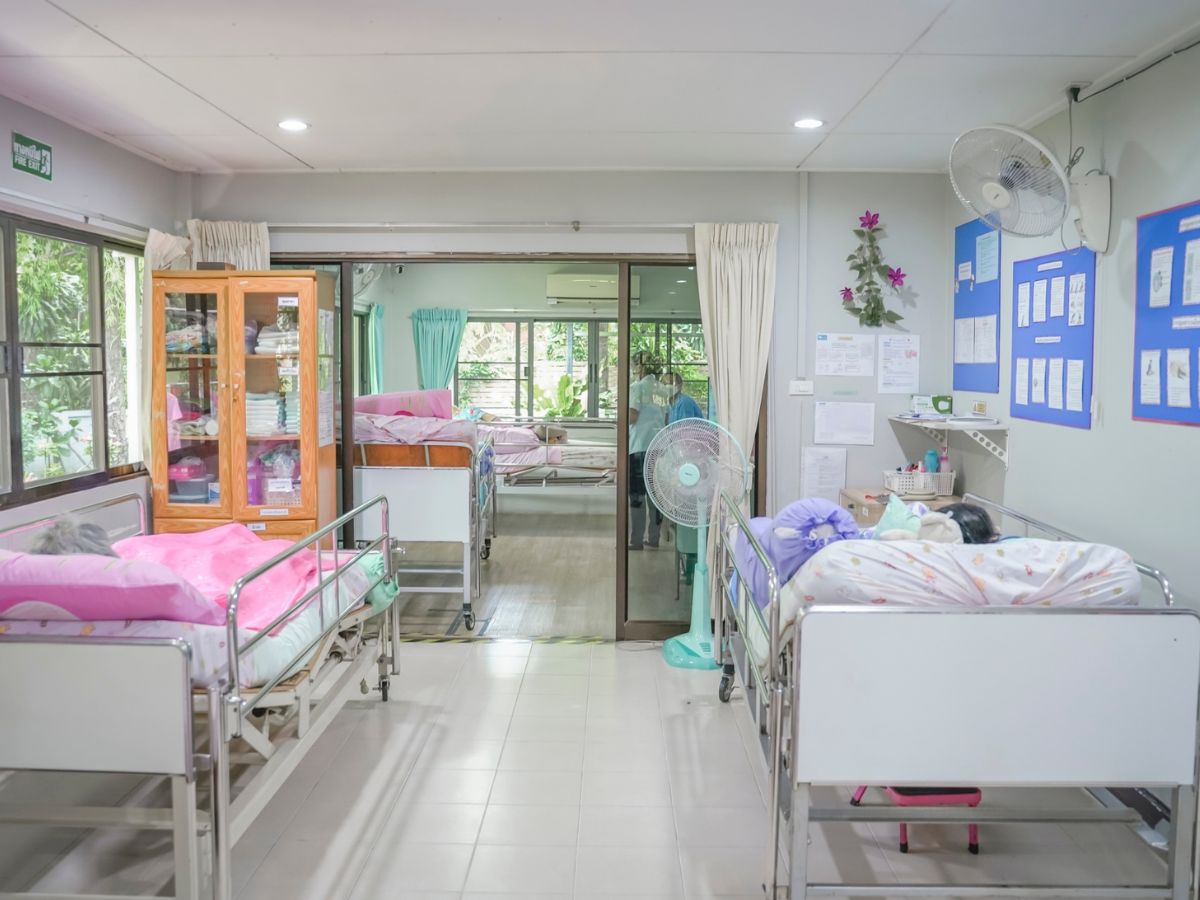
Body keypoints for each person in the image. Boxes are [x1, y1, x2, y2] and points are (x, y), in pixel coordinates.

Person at [628, 351, 667, 550]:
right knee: (655, 494)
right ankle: (654, 538)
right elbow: (665, 418)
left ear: (640, 366)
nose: (632, 369)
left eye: (634, 365)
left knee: (637, 495)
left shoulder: (637, 387)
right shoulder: (661, 389)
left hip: (639, 447)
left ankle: (636, 540)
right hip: (657, 447)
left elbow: (632, 416)